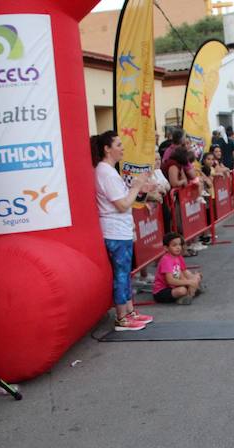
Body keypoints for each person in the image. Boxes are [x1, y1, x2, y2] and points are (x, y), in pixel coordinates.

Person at [91, 130, 155, 331]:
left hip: (121, 229)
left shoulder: (109, 171)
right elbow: (122, 204)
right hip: (114, 231)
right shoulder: (105, 172)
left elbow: (124, 201)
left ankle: (129, 311)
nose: (122, 148)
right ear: (107, 149)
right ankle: (122, 317)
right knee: (121, 274)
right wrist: (136, 186)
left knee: (126, 273)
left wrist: (140, 189)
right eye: (118, 145)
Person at [152, 232, 203, 305]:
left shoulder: (177, 256)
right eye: (174, 245)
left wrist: (190, 281)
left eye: (179, 244)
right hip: (161, 291)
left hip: (173, 286)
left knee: (195, 279)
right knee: (182, 290)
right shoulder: (166, 260)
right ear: (166, 248)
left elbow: (181, 274)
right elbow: (170, 281)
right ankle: (188, 294)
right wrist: (189, 282)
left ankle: (190, 293)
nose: (178, 247)